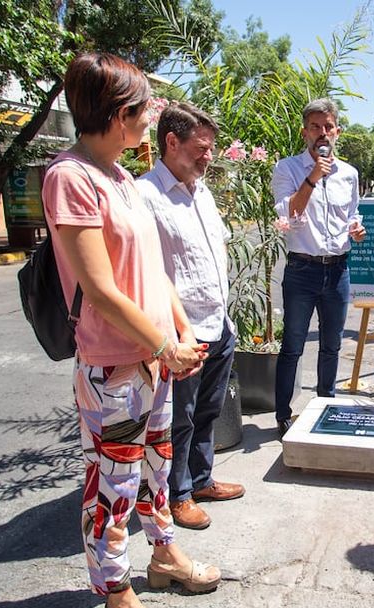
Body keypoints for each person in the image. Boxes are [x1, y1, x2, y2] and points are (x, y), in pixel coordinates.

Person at [43, 53, 220, 608]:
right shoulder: (71, 178)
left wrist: (180, 333)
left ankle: (164, 554)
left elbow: (153, 272)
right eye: (146, 107)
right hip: (114, 368)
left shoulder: (121, 176)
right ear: (120, 115)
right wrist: (163, 343)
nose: (152, 117)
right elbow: (99, 289)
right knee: (112, 485)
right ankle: (116, 597)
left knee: (156, 468)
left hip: (153, 361)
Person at [138, 101, 245, 531]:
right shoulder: (146, 195)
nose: (209, 155)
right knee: (178, 419)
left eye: (211, 147)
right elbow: (149, 271)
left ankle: (201, 479)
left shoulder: (202, 191)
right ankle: (176, 495)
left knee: (208, 411)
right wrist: (172, 336)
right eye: (201, 147)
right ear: (171, 142)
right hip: (181, 334)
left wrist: (227, 318)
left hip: (218, 324)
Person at [271, 98, 367, 438]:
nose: (322, 133)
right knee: (293, 345)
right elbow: (289, 215)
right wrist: (314, 175)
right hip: (302, 271)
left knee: (332, 345)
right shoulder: (287, 169)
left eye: (328, 127)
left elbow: (352, 215)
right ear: (304, 132)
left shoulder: (350, 174)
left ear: (337, 132)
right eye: (315, 127)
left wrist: (357, 229)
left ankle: (327, 406)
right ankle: (283, 414)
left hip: (338, 270)